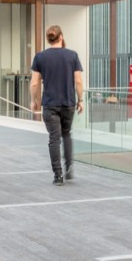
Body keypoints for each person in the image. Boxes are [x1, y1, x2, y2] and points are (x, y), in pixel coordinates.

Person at [30, 25, 84, 186]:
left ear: (49, 39)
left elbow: (34, 83)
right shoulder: (72, 56)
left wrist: (34, 100)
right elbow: (79, 81)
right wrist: (80, 100)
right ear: (61, 37)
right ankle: (69, 168)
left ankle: (58, 175)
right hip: (68, 103)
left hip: (50, 104)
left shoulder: (40, 57)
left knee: (54, 138)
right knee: (66, 134)